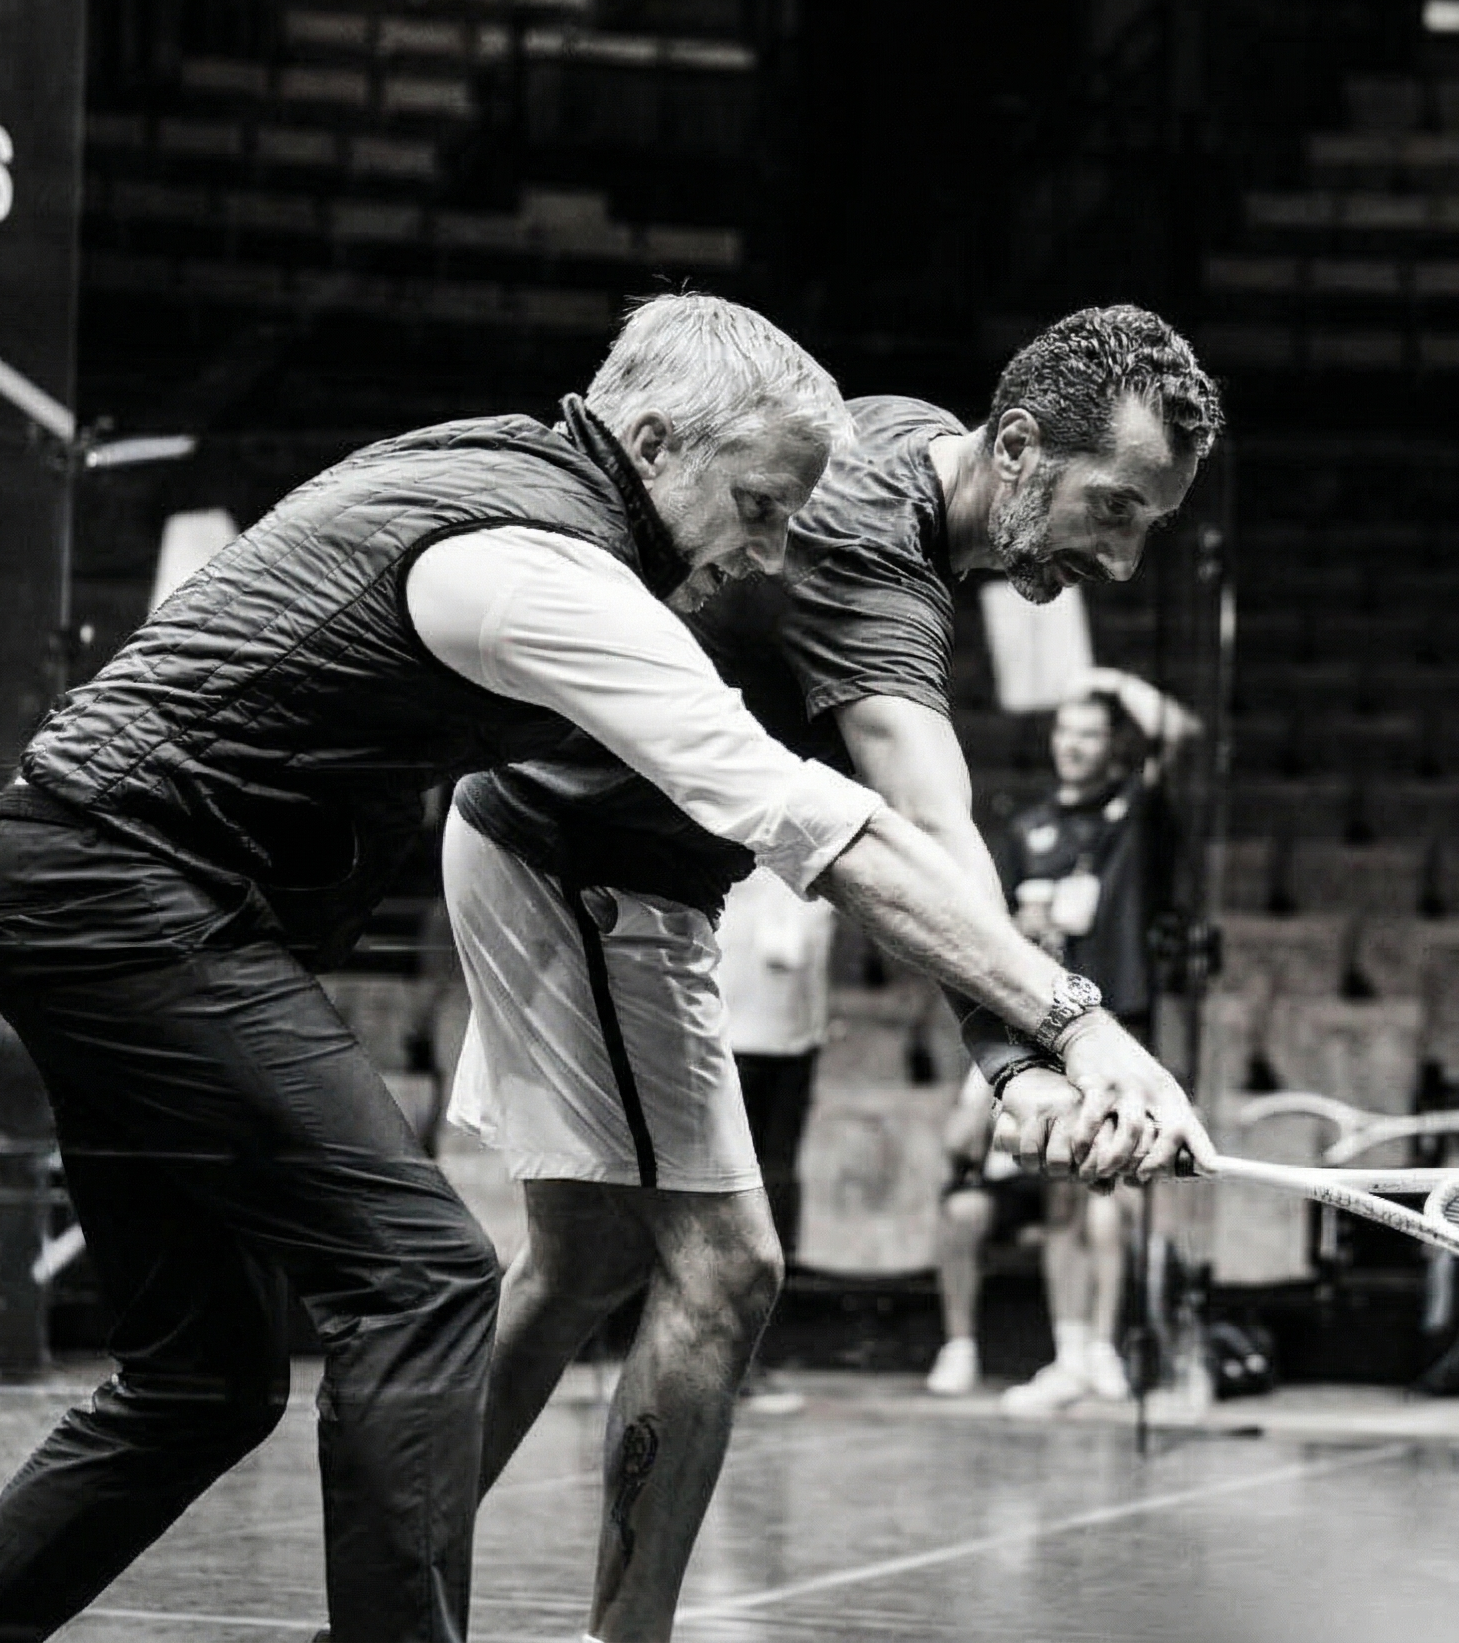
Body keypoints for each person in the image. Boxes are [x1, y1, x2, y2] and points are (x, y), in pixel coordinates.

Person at [0, 293, 1146, 1643]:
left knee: (203, 1381)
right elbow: (816, 815)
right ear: (660, 440)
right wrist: (1063, 1029)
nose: (773, 548)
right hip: (129, 891)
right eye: (759, 505)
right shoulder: (552, 573)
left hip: (100, 879)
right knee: (430, 1275)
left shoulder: (509, 470)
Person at [442, 305, 1225, 1640]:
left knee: (578, 1265)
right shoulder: (870, 558)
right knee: (724, 1270)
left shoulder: (916, 439)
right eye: (1115, 508)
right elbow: (932, 827)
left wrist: (1020, 1051)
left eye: (1149, 523)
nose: (1126, 557)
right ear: (1020, 448)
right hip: (581, 865)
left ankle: (393, 1570)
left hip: (570, 848)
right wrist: (1032, 1052)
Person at [927, 675, 1189, 1410]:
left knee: (1112, 1195)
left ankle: (1105, 1350)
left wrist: (1112, 684)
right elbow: (989, 935)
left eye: (1090, 733)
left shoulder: (1136, 814)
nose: (1072, 746)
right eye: (1063, 731)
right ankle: (1072, 1351)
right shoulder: (1027, 825)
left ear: (1116, 747)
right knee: (1062, 1197)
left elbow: (1183, 742)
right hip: (1043, 1027)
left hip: (1119, 1024)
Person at [720, 864, 839, 1413]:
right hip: (725, 1039)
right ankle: (717, 1358)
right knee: (724, 1199)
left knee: (778, 1194)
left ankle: (751, 1358)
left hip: (795, 1043)